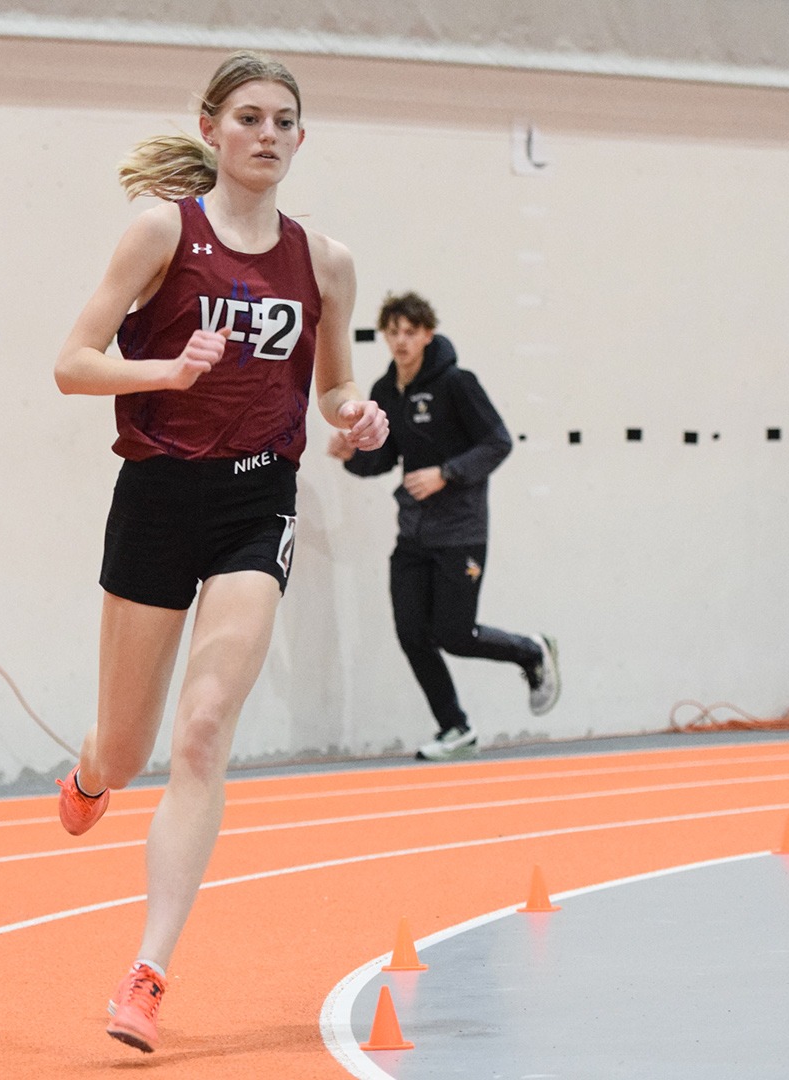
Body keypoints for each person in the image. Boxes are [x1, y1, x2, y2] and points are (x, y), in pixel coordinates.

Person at [50, 51, 389, 1054]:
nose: (266, 134)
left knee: (202, 731)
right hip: (158, 495)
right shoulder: (163, 232)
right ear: (211, 128)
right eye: (248, 117)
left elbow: (333, 383)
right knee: (129, 746)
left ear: (300, 137)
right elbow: (72, 364)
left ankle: (147, 975)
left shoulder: (325, 262)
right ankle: (94, 770)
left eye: (284, 120)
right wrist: (167, 370)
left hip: (256, 498)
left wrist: (354, 414)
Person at [328, 292, 559, 758]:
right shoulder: (385, 391)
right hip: (413, 532)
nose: (401, 341)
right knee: (412, 634)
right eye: (393, 332)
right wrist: (352, 455)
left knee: (455, 634)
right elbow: (383, 461)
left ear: (428, 334)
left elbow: (498, 442)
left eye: (410, 332)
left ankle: (531, 651)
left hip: (460, 530)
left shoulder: (457, 383)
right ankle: (455, 728)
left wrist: (445, 474)